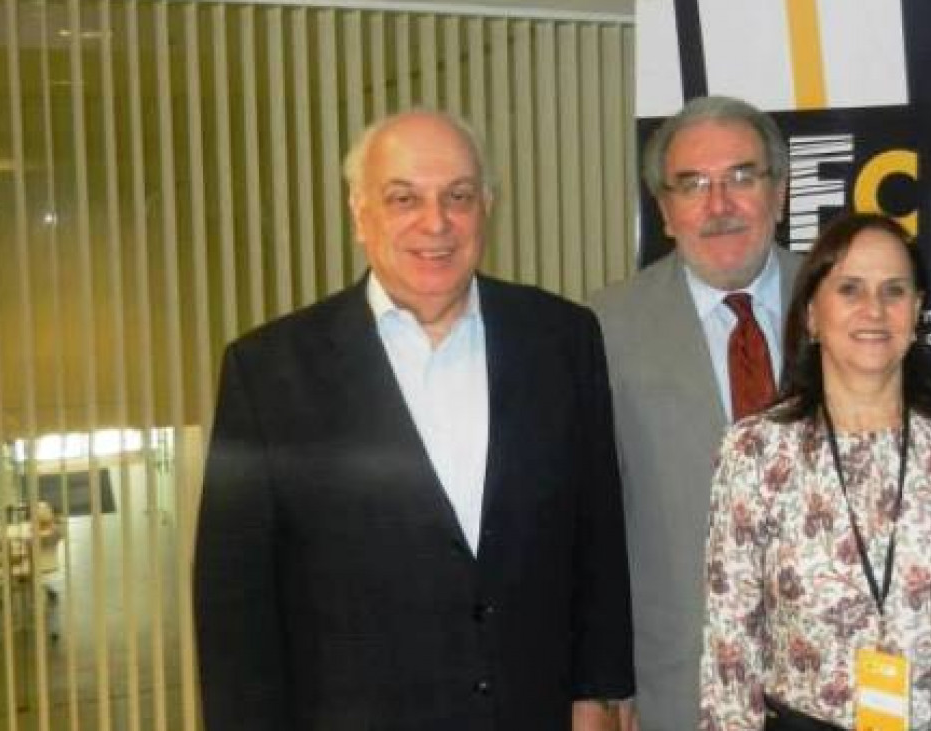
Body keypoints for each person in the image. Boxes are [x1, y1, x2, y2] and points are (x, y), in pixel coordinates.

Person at [193, 109, 634, 730]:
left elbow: (596, 531)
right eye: (404, 198)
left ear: (487, 205)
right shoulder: (270, 372)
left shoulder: (562, 337)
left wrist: (601, 692)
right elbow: (234, 605)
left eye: (457, 196)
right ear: (359, 213)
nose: (436, 223)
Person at [700, 213, 931, 731]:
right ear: (813, 315)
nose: (874, 310)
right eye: (850, 289)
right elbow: (730, 646)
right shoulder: (756, 451)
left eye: (894, 291)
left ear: (918, 311)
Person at [588, 94, 802, 731]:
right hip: (674, 687)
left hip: (835, 682)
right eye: (692, 184)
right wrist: (603, 683)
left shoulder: (845, 305)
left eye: (742, 176)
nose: (719, 205)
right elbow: (587, 526)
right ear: (664, 210)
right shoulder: (600, 329)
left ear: (780, 192)